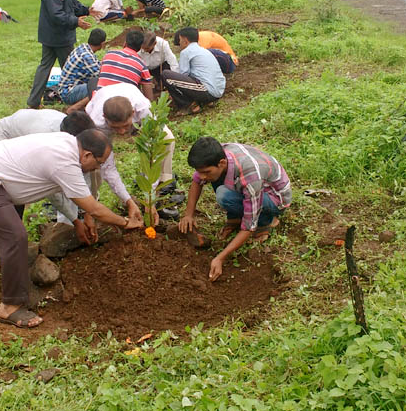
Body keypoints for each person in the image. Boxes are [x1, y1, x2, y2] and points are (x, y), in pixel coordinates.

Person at [0, 129, 141, 328]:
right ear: (87, 155)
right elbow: (94, 208)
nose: (97, 168)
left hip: (1, 177)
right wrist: (125, 222)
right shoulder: (64, 161)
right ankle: (9, 307)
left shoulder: (69, 144)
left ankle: (13, 273)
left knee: (11, 234)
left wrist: (79, 220)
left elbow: (64, 194)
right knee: (14, 237)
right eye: (98, 163)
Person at [0, 109, 99, 264]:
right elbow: (52, 190)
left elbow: (83, 176)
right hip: (6, 137)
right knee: (12, 193)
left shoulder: (79, 131)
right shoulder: (48, 139)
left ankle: (66, 233)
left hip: (29, 135)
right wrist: (76, 220)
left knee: (70, 178)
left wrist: (88, 212)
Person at [179, 136, 292, 282]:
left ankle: (266, 222)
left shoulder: (249, 174)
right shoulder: (217, 156)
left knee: (224, 196)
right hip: (252, 187)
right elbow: (197, 182)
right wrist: (188, 214)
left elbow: (248, 226)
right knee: (219, 185)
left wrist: (220, 258)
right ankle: (234, 218)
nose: (201, 176)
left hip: (274, 198)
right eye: (199, 171)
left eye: (206, 171)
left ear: (222, 163)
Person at [85, 83, 177, 224]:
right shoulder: (97, 121)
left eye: (125, 126)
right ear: (105, 118)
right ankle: (90, 203)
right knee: (94, 161)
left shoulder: (144, 109)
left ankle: (160, 191)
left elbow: (153, 154)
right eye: (116, 127)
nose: (122, 132)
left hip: (135, 109)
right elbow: (108, 168)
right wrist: (128, 201)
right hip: (100, 109)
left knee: (166, 138)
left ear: (133, 114)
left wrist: (149, 197)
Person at [28, 0, 101, 109]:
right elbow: (56, 14)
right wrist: (76, 22)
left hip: (51, 35)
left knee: (46, 67)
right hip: (58, 37)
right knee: (71, 68)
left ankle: (33, 102)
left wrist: (86, 10)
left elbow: (71, 2)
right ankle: (75, 100)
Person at [163, 27, 226, 113]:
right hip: (219, 90)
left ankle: (188, 105)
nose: (179, 43)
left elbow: (183, 75)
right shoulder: (204, 50)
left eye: (180, 40)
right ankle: (206, 101)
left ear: (185, 41)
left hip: (208, 91)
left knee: (166, 75)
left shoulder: (186, 52)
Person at [56, 28, 106, 108]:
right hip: (68, 93)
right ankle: (75, 108)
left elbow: (97, 65)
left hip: (66, 88)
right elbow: (102, 75)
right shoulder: (87, 56)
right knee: (101, 87)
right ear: (102, 43)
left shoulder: (83, 47)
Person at [97, 30, 154, 100]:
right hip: (123, 107)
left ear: (125, 43)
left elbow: (100, 75)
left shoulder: (109, 54)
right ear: (140, 47)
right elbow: (149, 98)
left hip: (99, 101)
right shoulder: (141, 65)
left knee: (93, 82)